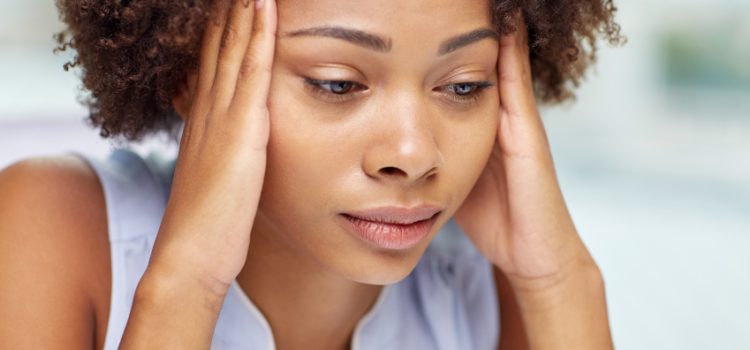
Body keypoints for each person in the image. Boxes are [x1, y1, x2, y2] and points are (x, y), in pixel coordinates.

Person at [0, 0, 624, 348]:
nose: (412, 153)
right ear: (192, 75)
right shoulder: (52, 231)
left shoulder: (492, 284)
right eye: (338, 83)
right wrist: (186, 283)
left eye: (463, 85)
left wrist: (559, 282)